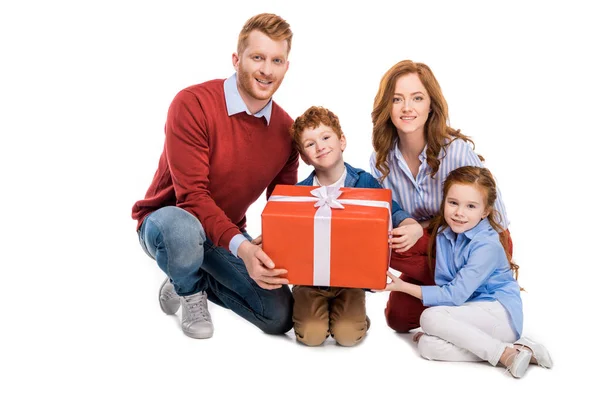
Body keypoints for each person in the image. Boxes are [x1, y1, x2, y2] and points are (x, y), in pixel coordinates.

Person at [131, 13, 299, 339]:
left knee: (279, 316)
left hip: (225, 235)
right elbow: (192, 198)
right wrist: (245, 251)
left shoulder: (286, 131)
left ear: (286, 67)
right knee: (182, 231)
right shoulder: (192, 104)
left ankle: (187, 270)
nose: (267, 69)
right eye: (257, 58)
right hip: (167, 221)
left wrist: (273, 249)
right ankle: (189, 287)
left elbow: (284, 206)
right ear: (237, 60)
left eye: (277, 60)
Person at [370, 60, 512, 333]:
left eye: (417, 98)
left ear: (431, 105)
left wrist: (417, 227)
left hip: (478, 247)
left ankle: (470, 296)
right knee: (398, 318)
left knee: (393, 243)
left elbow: (496, 220)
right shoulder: (381, 162)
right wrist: (412, 227)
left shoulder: (455, 152)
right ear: (387, 106)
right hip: (429, 249)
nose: (407, 107)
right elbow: (386, 218)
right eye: (397, 99)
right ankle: (455, 301)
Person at [385, 166, 552, 378]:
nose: (459, 213)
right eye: (453, 203)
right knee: (427, 346)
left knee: (428, 317)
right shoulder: (445, 234)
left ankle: (505, 353)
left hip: (499, 313)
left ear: (485, 211)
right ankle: (523, 351)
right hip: (468, 312)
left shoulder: (487, 245)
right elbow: (447, 287)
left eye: (470, 206)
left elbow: (454, 294)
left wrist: (403, 286)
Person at [281, 106, 423, 346]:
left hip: (351, 280)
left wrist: (413, 226)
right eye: (310, 144)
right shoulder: (300, 192)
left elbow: (393, 210)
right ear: (304, 157)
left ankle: (352, 316)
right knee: (312, 336)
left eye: (326, 137)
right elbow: (285, 229)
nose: (320, 146)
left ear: (342, 141)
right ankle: (316, 312)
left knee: (348, 336)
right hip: (310, 281)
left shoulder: (364, 182)